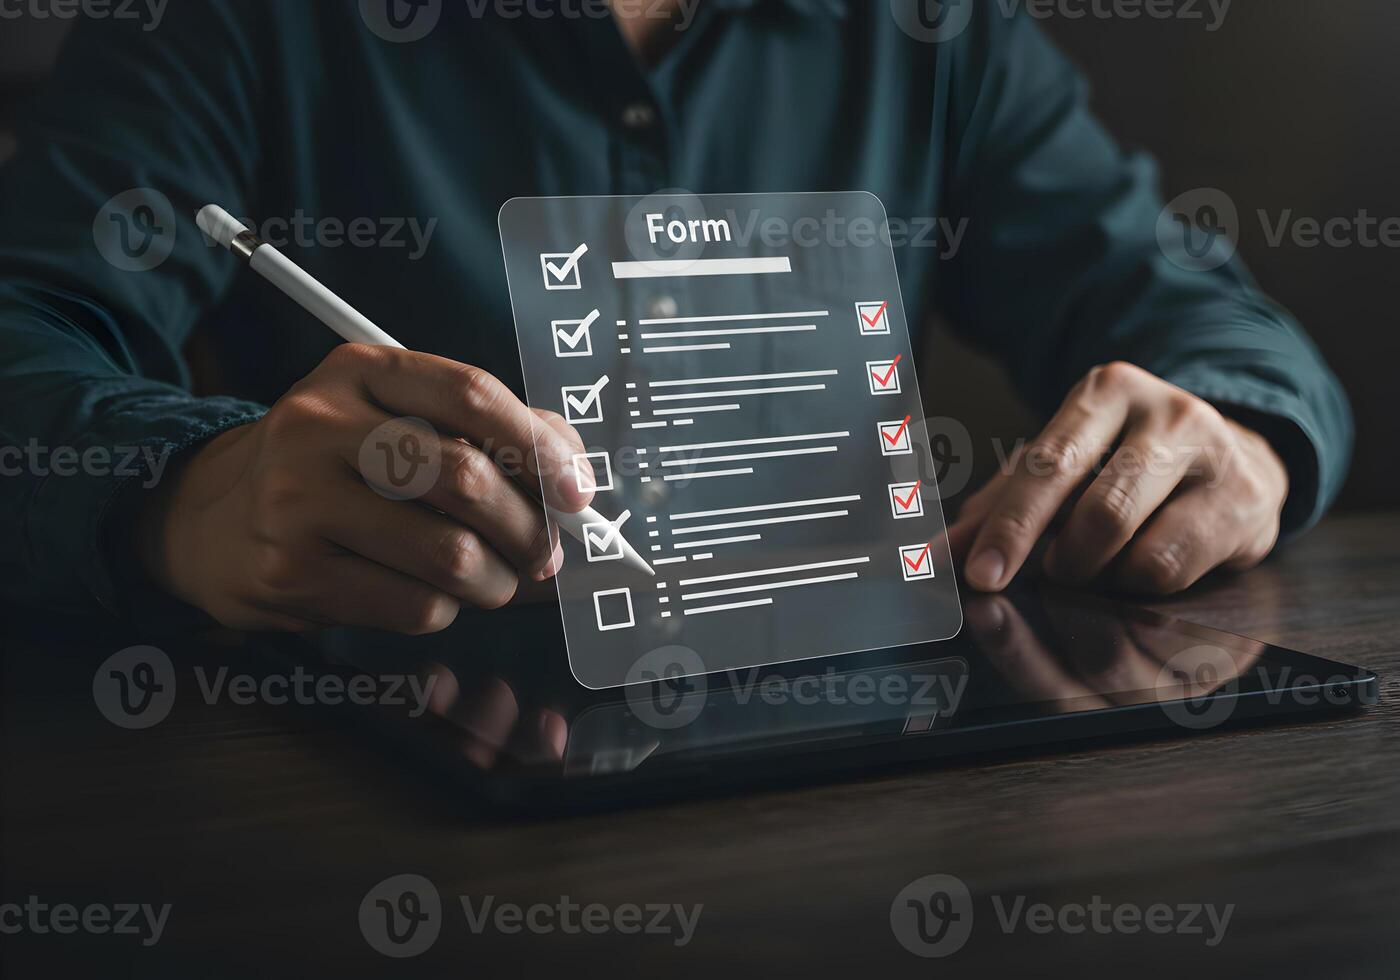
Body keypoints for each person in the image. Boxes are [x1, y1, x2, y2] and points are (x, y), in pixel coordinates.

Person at [0, 0, 1350, 636]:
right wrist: (186, 490)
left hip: (861, 801)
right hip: (393, 795)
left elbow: (1189, 311)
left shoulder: (937, 35)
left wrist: (1242, 436)